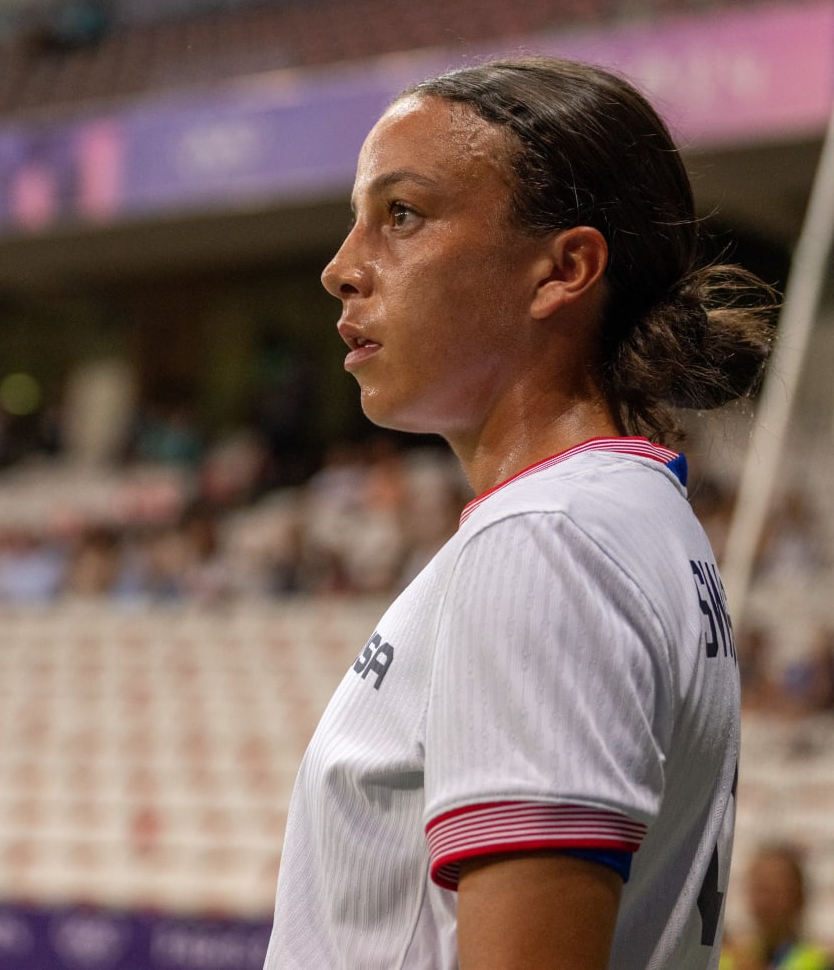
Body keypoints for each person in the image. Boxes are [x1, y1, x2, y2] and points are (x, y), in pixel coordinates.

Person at [265, 57, 771, 970]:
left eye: (402, 215)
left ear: (563, 269)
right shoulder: (625, 517)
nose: (343, 267)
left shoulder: (547, 538)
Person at [722, 844, 831, 970]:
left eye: (776, 891)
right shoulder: (729, 956)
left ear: (799, 897)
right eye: (759, 889)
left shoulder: (817, 961)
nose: (765, 901)